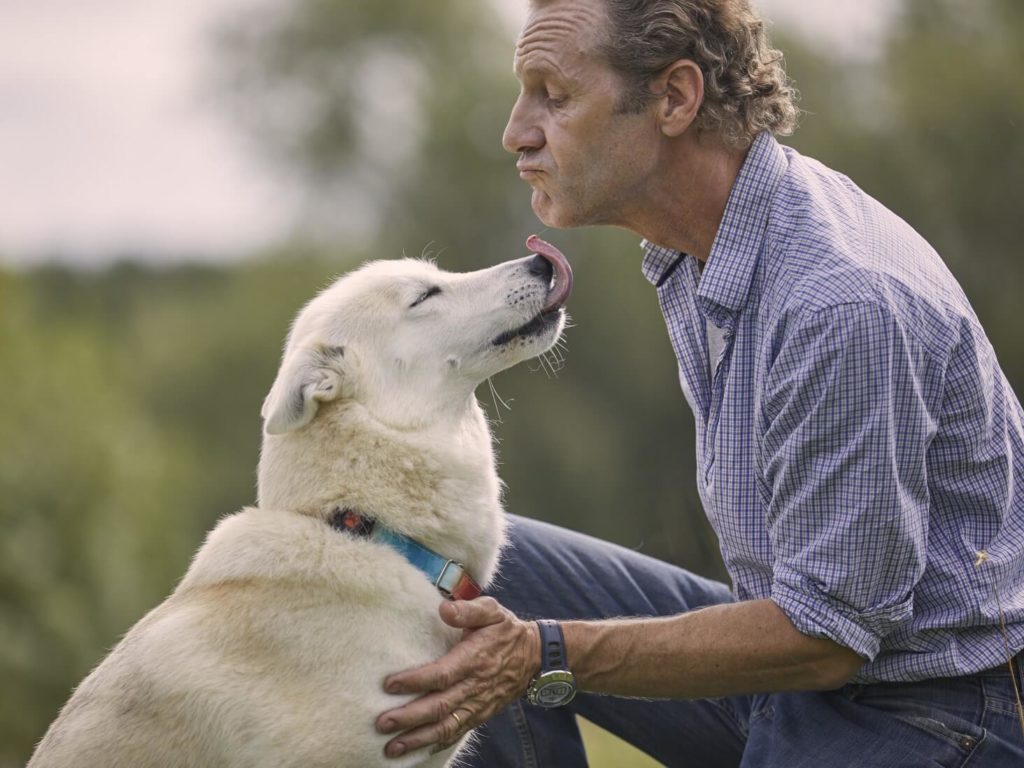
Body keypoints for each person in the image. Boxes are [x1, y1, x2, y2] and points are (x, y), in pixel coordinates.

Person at [375, 0, 1024, 764]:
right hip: (802, 669)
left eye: (554, 95)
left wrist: (546, 651)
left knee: (520, 636)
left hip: (935, 706)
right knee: (463, 572)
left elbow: (826, 638)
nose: (516, 131)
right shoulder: (707, 242)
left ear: (675, 99)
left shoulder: (839, 302)